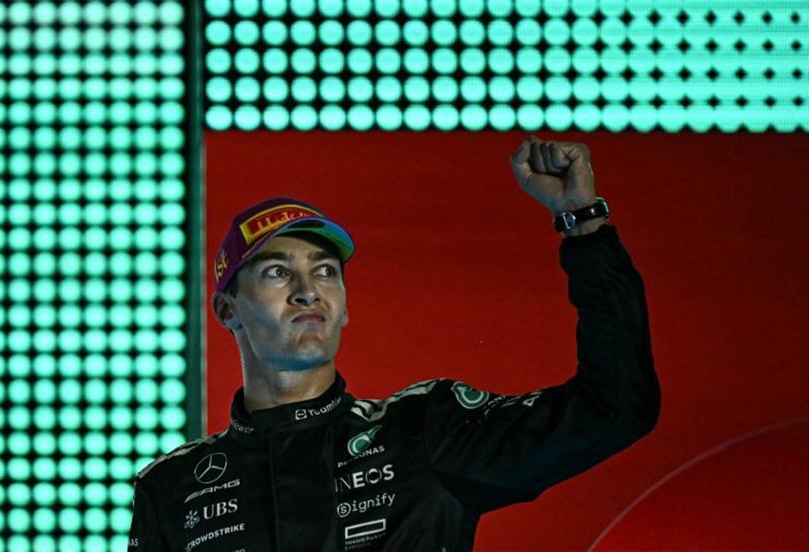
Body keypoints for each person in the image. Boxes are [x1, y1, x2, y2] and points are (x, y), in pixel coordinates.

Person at [127, 136, 660, 551]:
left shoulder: (425, 431)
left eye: (326, 271)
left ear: (344, 304)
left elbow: (614, 407)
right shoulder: (172, 489)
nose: (308, 291)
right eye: (276, 273)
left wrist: (584, 228)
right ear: (227, 310)